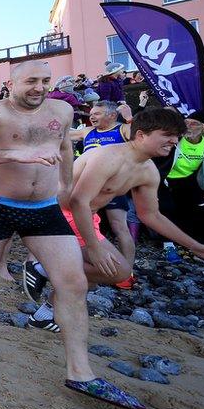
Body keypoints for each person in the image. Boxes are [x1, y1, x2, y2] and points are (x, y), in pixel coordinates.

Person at [0, 60, 148, 409]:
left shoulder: (63, 109)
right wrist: (19, 153)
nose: (39, 87)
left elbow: (64, 146)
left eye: (45, 80)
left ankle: (80, 372)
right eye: (31, 80)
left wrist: (66, 184)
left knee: (74, 283)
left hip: (44, 208)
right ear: (11, 83)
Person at [27, 109, 204, 331]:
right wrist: (94, 247)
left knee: (92, 278)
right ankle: (42, 268)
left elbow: (150, 215)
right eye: (167, 134)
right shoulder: (109, 157)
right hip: (57, 213)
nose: (174, 140)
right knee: (119, 271)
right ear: (141, 134)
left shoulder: (148, 171)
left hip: (85, 217)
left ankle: (44, 314)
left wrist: (196, 246)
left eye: (176, 135)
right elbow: (77, 201)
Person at [68, 100, 137, 288]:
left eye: (97, 114)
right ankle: (95, 270)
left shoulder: (122, 129)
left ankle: (126, 273)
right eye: (91, 113)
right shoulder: (88, 131)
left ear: (112, 115)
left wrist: (130, 118)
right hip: (87, 189)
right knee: (85, 229)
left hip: (112, 188)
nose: (92, 116)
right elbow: (64, 135)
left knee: (119, 227)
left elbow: (139, 140)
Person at [159, 110, 204, 261]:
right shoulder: (174, 139)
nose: (188, 126)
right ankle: (168, 246)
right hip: (164, 178)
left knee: (197, 208)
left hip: (189, 179)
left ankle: (198, 246)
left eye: (194, 124)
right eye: (186, 122)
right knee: (167, 208)